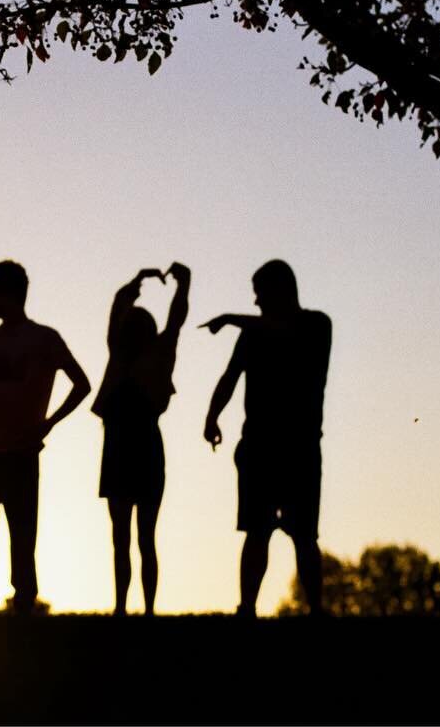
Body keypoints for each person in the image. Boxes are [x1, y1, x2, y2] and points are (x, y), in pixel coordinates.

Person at [0, 260, 91, 615]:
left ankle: (23, 603)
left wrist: (48, 423)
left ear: (9, 294)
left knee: (22, 534)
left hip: (20, 453)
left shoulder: (45, 338)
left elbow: (82, 384)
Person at [202, 260, 332, 617]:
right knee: (257, 532)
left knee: (304, 534)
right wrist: (213, 415)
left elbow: (285, 330)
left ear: (279, 290)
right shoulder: (253, 333)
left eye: (260, 292)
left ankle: (316, 610)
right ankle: (248, 608)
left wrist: (230, 317)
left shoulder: (317, 325)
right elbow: (230, 376)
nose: (256, 301)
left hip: (299, 446)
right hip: (258, 445)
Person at [92, 262, 190, 616]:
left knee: (134, 537)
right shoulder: (130, 355)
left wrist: (177, 285)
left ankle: (137, 608)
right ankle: (132, 608)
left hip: (132, 445)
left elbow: (174, 319)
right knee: (136, 537)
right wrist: (142, 283)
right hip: (133, 445)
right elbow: (122, 308)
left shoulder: (149, 355)